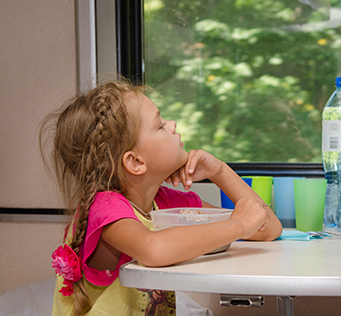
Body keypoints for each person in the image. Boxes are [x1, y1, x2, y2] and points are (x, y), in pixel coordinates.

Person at [40, 79, 283, 316]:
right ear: (135, 162)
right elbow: (154, 250)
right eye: (160, 125)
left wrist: (220, 172)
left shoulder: (166, 203)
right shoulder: (104, 208)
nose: (173, 124)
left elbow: (267, 228)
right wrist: (237, 225)